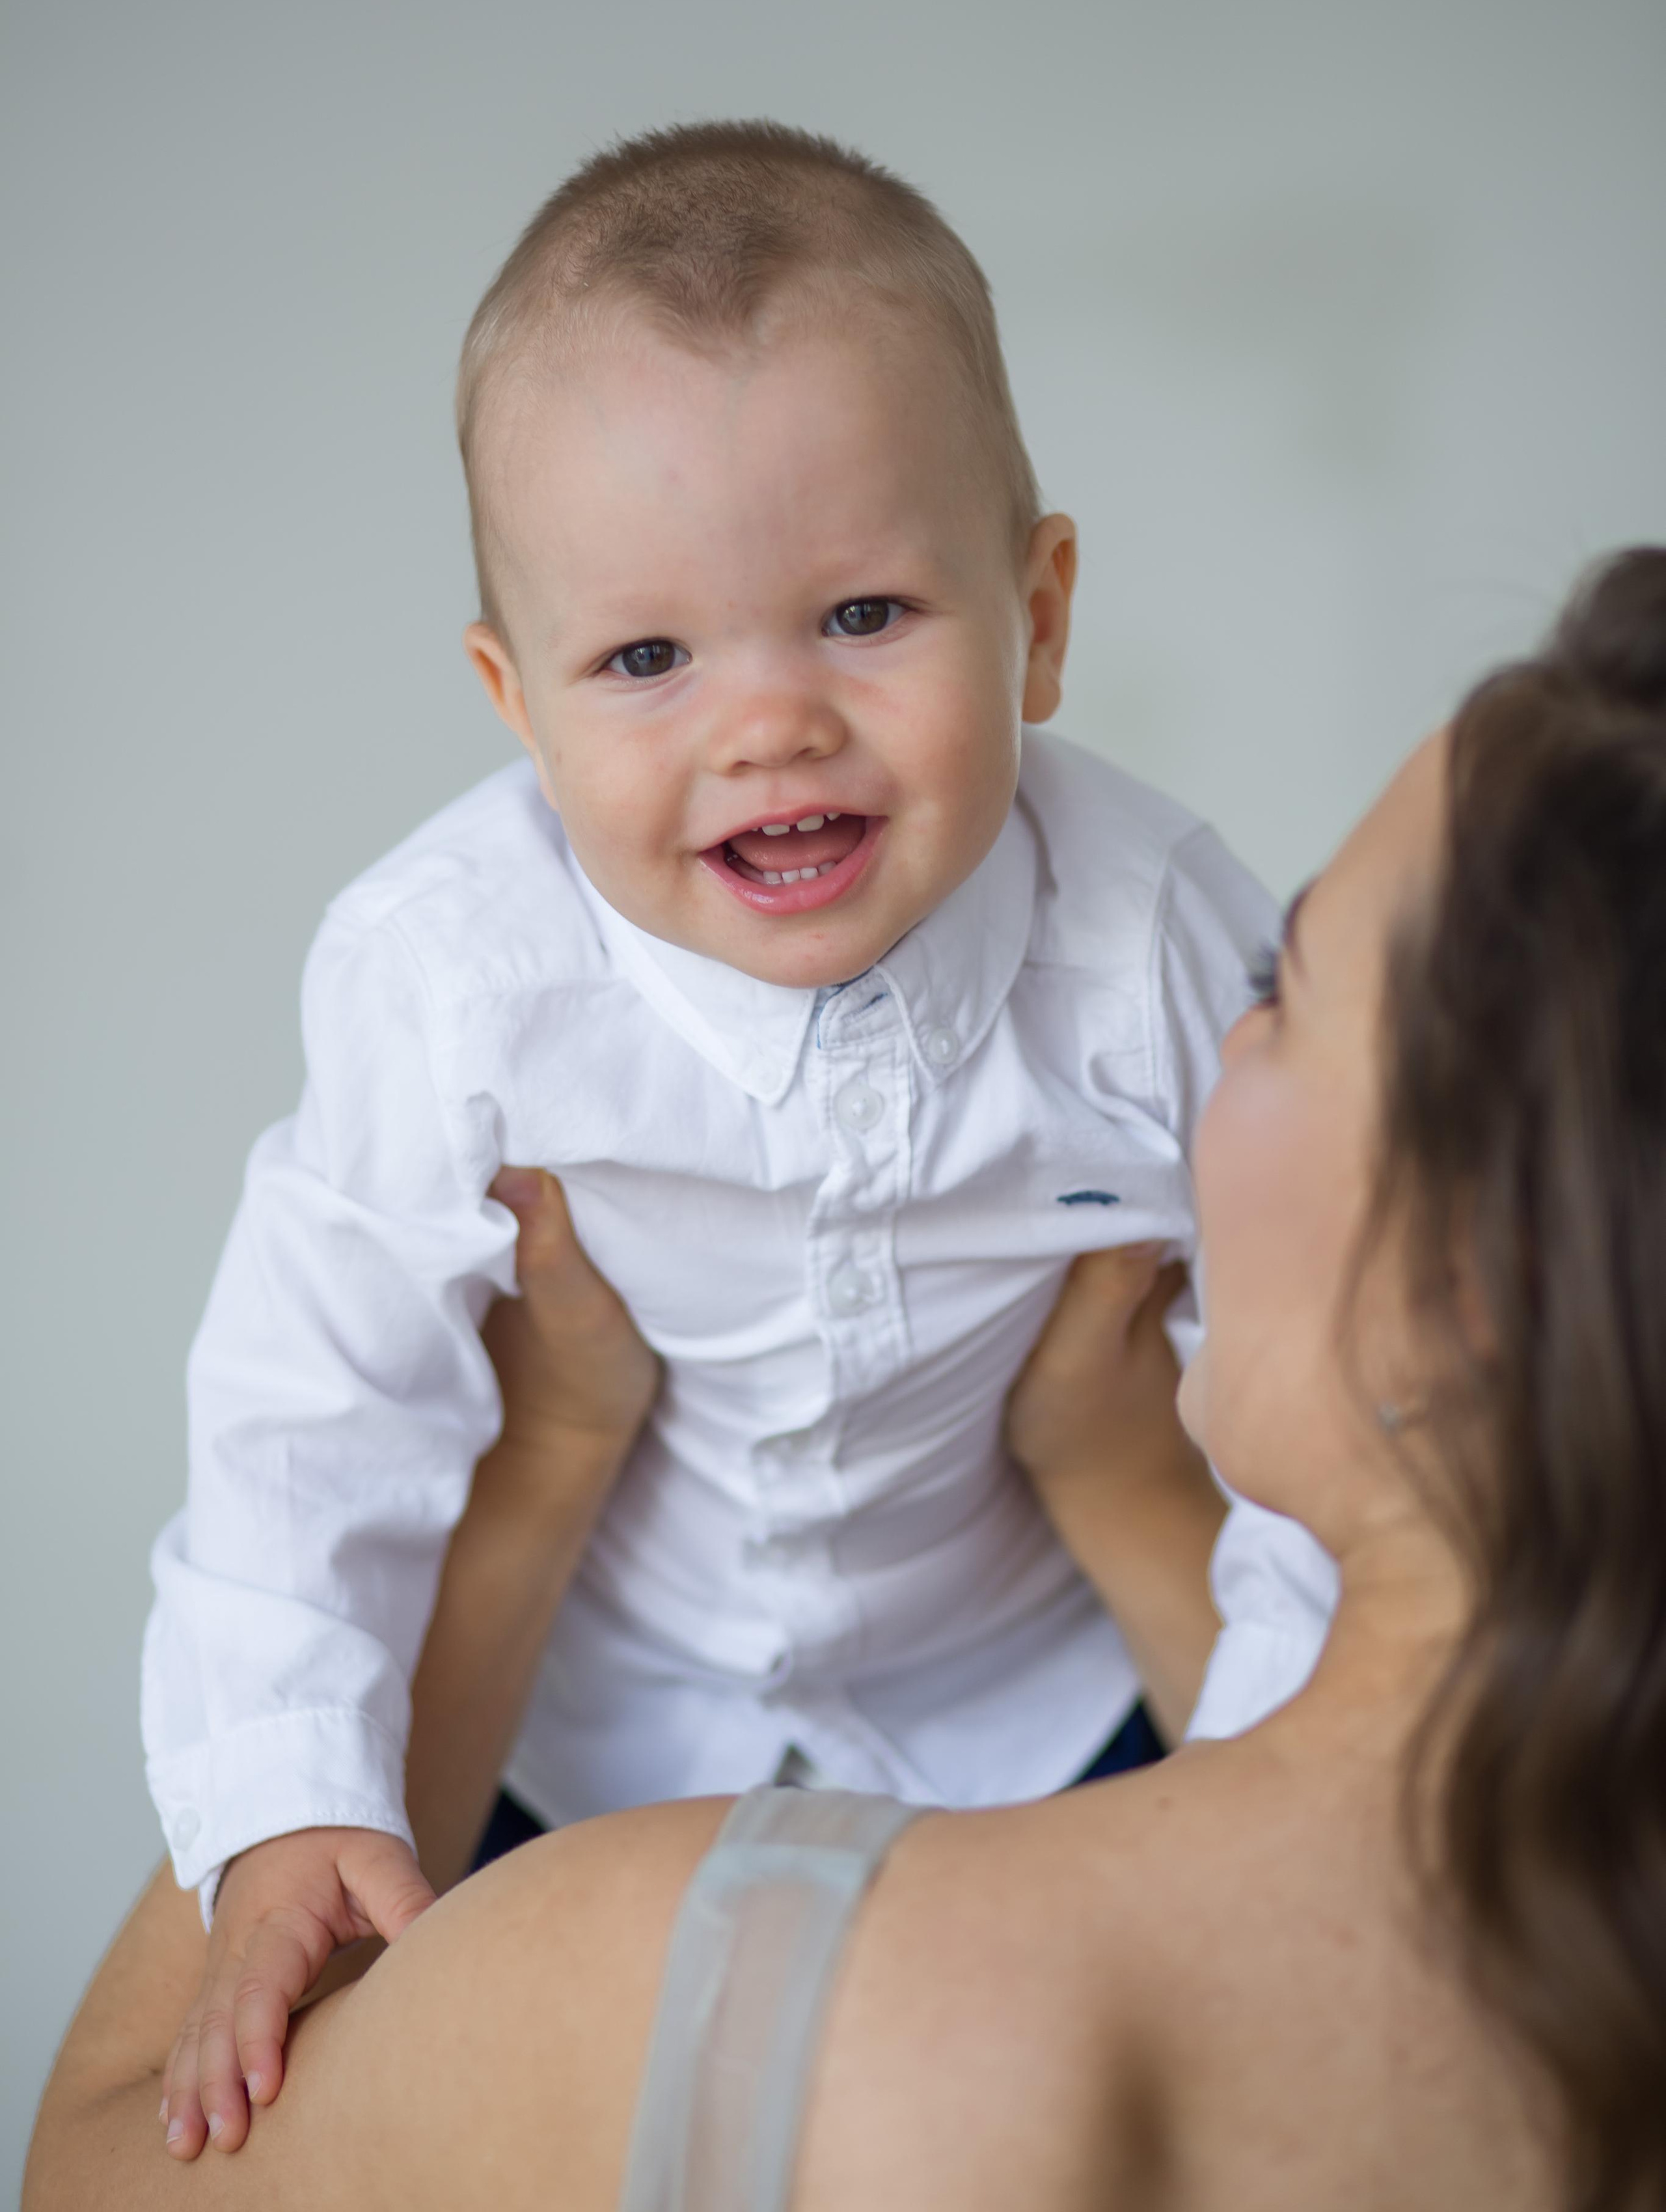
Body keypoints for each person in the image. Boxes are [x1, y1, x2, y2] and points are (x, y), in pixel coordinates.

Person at [30, 549, 1666, 2209]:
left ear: (1470, 1276)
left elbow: (95, 2172)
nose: (1210, 1053)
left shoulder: (676, 1966)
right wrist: (1106, 1473)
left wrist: (534, 1471)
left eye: (1280, 994)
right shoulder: (1601, 2022)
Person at [139, 119, 1335, 2151]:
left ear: (1038, 613)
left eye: (864, 614)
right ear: (515, 705)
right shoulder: (453, 983)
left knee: (1105, 2132)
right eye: (648, 658)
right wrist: (292, 1808)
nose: (768, 721)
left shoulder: (1152, 948)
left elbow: (1336, 1390)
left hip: (1047, 1710)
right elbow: (307, 1410)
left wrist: (1266, 1779)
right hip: (597, 1730)